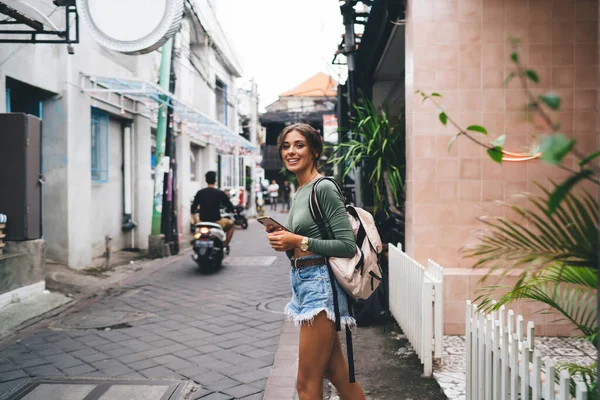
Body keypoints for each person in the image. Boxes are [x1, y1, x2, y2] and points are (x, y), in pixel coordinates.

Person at [264, 123, 365, 400]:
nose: (291, 152)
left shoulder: (324, 188)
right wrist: (284, 239)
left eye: (299, 145)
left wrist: (297, 241)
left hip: (320, 288)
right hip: (304, 282)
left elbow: (346, 246)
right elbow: (299, 246)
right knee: (337, 374)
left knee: (306, 385)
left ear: (315, 151)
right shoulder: (299, 192)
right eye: (286, 146)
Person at [191, 171, 235, 249]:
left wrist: (195, 218)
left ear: (206, 180)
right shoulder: (220, 193)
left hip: (202, 221)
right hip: (216, 221)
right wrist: (231, 210)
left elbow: (193, 208)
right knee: (231, 225)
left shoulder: (200, 193)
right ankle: (224, 245)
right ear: (215, 180)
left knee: (195, 228)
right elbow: (230, 206)